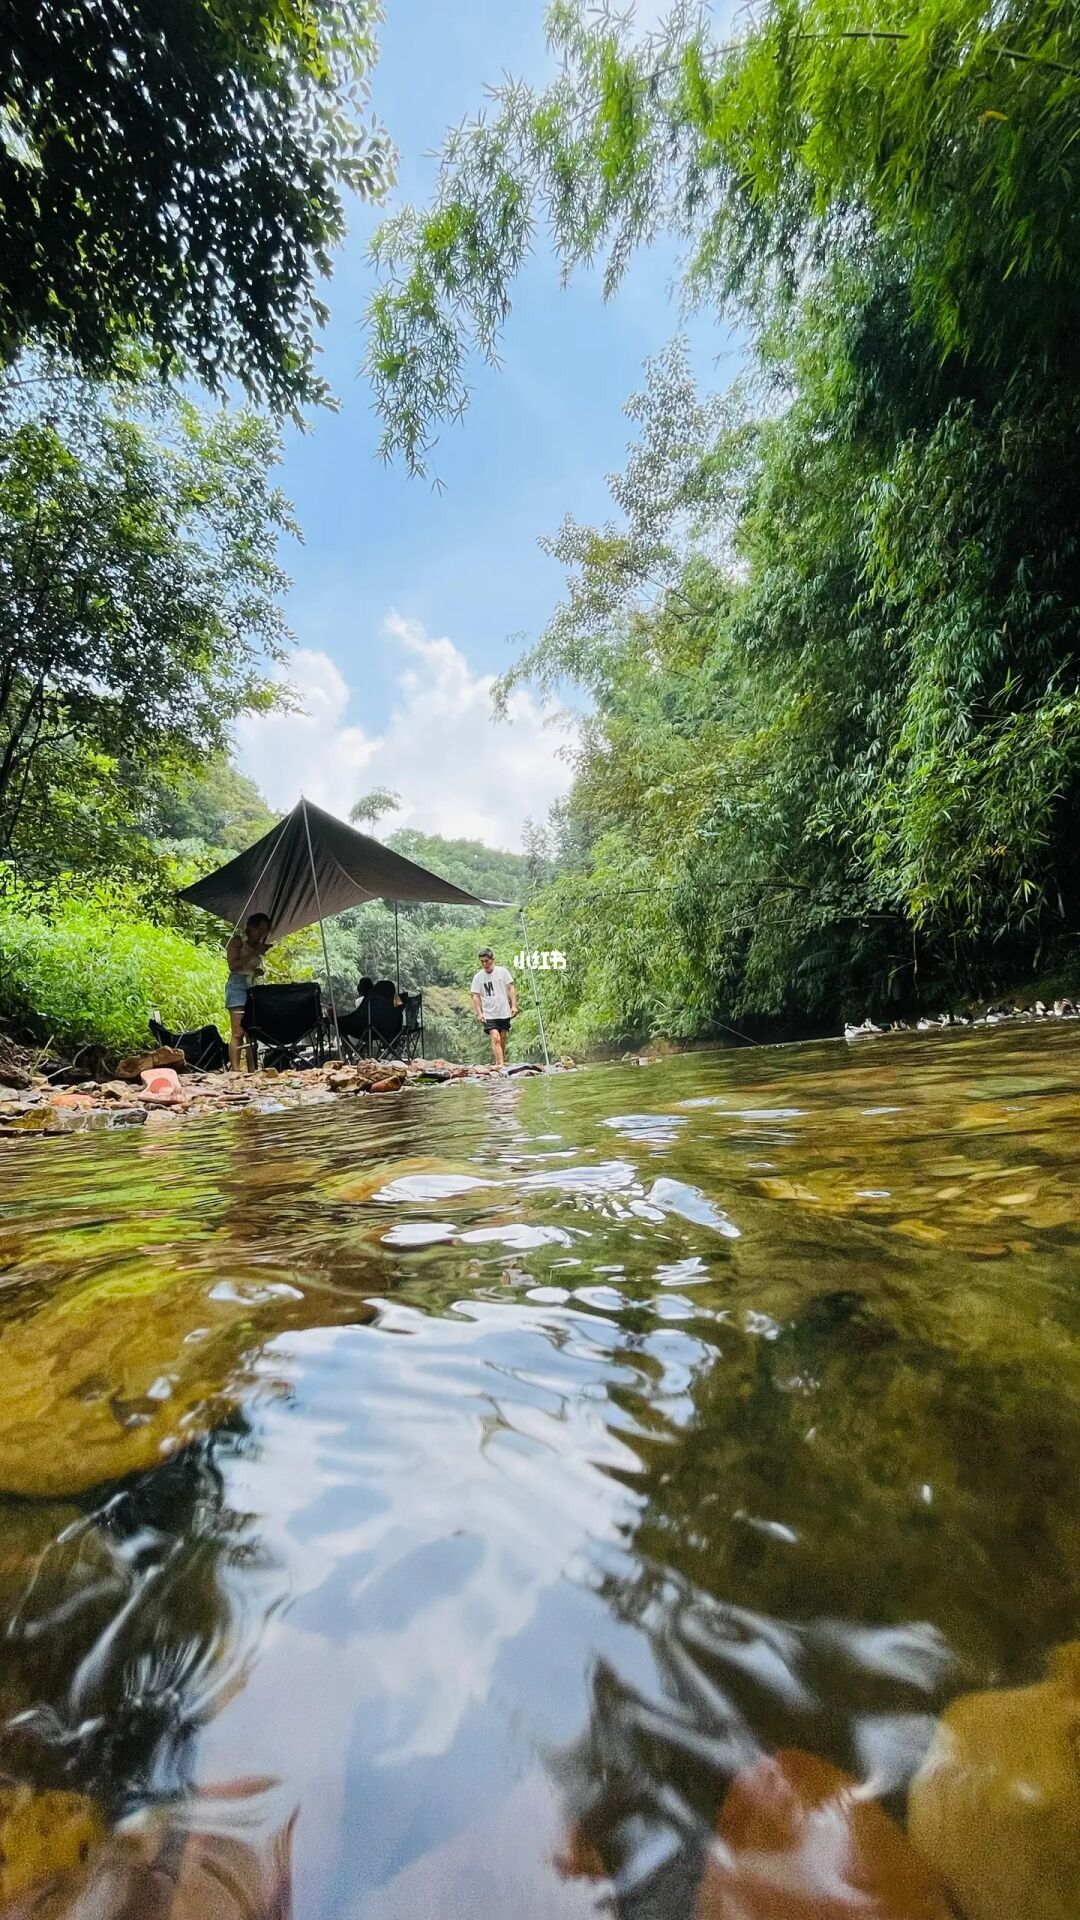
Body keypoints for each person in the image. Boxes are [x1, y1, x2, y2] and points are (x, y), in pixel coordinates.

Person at [225, 913, 273, 1070]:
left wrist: (258, 970)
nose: (261, 934)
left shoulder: (258, 946)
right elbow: (233, 965)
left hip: (252, 987)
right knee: (238, 1031)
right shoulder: (238, 941)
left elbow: (251, 968)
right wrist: (255, 952)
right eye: (259, 929)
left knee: (251, 1032)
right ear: (250, 927)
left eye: (265, 931)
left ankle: (253, 1069)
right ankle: (236, 1070)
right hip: (237, 985)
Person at [471, 948, 518, 1066]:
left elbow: (511, 988)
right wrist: (479, 1012)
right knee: (495, 1037)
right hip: (489, 1013)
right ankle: (500, 1064)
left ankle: (499, 1060)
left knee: (502, 1037)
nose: (484, 964)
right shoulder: (478, 977)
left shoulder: (503, 972)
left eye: (487, 961)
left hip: (503, 1011)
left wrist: (514, 1005)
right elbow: (475, 995)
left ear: (492, 960)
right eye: (482, 961)